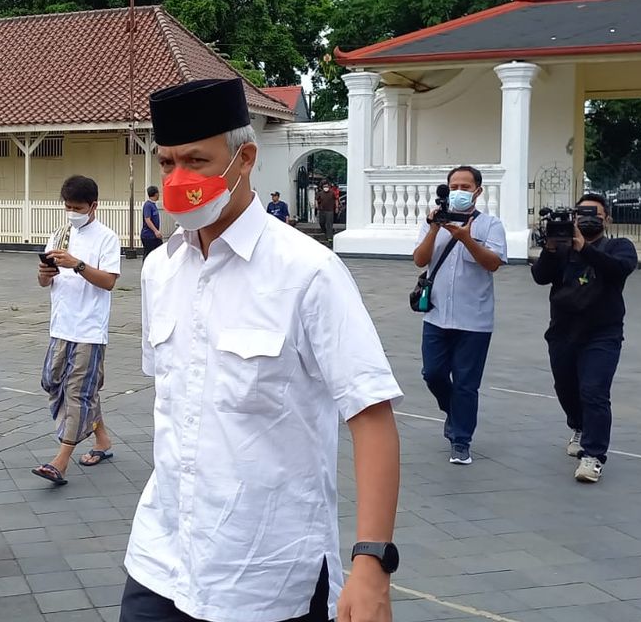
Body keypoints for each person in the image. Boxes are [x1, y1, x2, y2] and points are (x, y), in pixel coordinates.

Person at [121, 77, 404, 622]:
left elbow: (371, 416)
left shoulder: (308, 272)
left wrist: (372, 565)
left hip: (266, 574)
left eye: (198, 161)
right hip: (162, 556)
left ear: (244, 158)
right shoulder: (160, 270)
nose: (179, 180)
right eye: (166, 163)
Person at [531, 193, 638, 484]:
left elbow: (617, 269)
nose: (587, 219)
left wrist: (584, 248)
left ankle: (592, 455)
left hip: (603, 334)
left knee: (594, 390)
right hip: (563, 332)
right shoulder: (562, 247)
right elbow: (540, 277)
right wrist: (552, 249)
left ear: (607, 219)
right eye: (582, 214)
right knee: (566, 388)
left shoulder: (620, 247)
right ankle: (577, 424)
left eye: (595, 214)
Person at [411, 166, 506, 466]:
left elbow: (493, 263)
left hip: (474, 319)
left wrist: (466, 239)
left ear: (478, 191)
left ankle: (461, 440)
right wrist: (435, 228)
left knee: (466, 382)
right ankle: (454, 411)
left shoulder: (491, 225)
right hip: (437, 315)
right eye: (454, 186)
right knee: (433, 373)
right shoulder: (433, 222)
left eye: (466, 186)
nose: (459, 191)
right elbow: (420, 260)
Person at [33, 175, 122, 486]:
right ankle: (102, 440)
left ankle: (61, 460)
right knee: (52, 382)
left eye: (78, 207)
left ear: (93, 206)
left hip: (89, 329)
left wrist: (78, 264)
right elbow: (46, 282)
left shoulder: (107, 238)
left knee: (78, 392)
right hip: (61, 325)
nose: (72, 212)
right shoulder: (59, 234)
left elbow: (109, 281)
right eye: (68, 207)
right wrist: (45, 273)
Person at [141, 185, 164, 257]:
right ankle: (146, 268)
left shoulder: (153, 205)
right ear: (156, 194)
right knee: (149, 254)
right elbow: (147, 219)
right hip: (148, 235)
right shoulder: (148, 205)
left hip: (154, 236)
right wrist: (156, 231)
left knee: (159, 252)